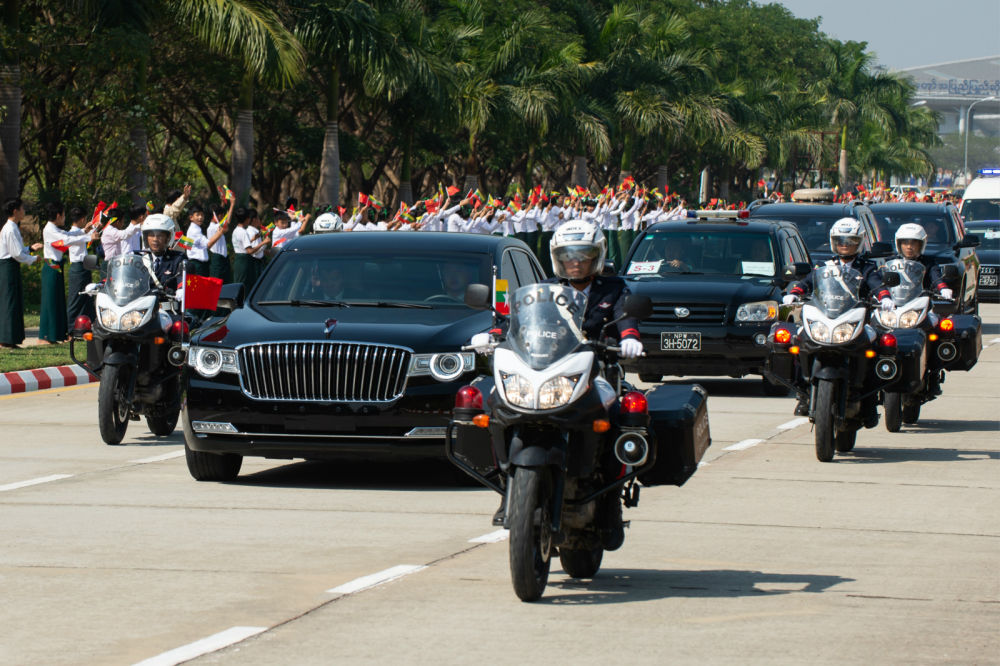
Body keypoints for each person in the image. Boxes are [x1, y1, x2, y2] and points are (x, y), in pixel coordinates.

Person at [782, 217, 893, 418]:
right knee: (800, 339)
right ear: (833, 242)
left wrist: (885, 297)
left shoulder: (866, 267)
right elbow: (808, 281)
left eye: (850, 241)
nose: (845, 245)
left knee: (875, 343)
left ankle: (868, 400)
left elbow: (876, 284)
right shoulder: (824, 266)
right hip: (826, 318)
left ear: (859, 242)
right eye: (840, 240)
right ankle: (803, 393)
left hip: (854, 320)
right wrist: (795, 293)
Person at [39, 203, 94, 343]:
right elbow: (66, 240)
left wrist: (84, 231)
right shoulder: (49, 229)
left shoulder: (55, 229)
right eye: (63, 215)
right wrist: (88, 237)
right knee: (51, 301)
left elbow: (68, 235)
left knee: (56, 301)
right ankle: (46, 336)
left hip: (56, 265)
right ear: (58, 216)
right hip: (51, 265)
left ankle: (55, 335)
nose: (65, 218)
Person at [0, 198, 44, 348]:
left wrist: (30, 248)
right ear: (15, 211)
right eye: (22, 208)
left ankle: (11, 339)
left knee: (14, 300)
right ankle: (6, 339)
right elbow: (16, 254)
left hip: (11, 266)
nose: (24, 211)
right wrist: (33, 259)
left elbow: (18, 250)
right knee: (9, 302)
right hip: (8, 267)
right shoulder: (10, 228)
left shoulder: (13, 227)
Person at [65, 206, 99, 328]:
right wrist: (90, 236)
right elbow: (78, 238)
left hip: (85, 265)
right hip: (77, 267)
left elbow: (84, 235)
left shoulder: (79, 232)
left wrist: (93, 229)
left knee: (88, 296)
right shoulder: (71, 233)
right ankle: (70, 327)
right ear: (83, 219)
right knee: (76, 298)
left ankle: (88, 325)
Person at [137, 214, 185, 293]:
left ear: (168, 238)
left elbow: (182, 281)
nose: (155, 239)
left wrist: (180, 291)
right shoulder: (140, 260)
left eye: (160, 235)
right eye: (151, 235)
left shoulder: (178, 259)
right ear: (146, 237)